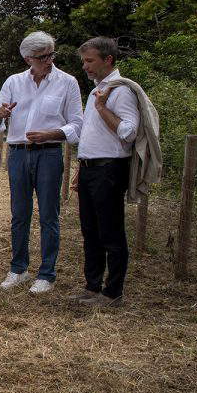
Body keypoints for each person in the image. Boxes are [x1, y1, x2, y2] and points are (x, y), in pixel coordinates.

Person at [0, 31, 83, 294]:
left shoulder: (67, 82)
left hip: (49, 153)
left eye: (51, 54)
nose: (49, 60)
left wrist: (51, 134)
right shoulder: (13, 82)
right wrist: (0, 115)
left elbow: (77, 124)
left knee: (49, 214)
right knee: (19, 213)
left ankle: (46, 274)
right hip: (17, 153)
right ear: (28, 58)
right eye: (42, 57)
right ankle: (18, 269)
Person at [70, 36, 143, 307]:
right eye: (84, 61)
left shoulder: (120, 91)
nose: (85, 66)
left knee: (110, 232)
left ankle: (113, 293)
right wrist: (81, 166)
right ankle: (92, 287)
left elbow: (129, 132)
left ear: (108, 59)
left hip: (109, 169)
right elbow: (93, 134)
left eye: (90, 61)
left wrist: (102, 108)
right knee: (90, 231)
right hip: (90, 168)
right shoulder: (97, 90)